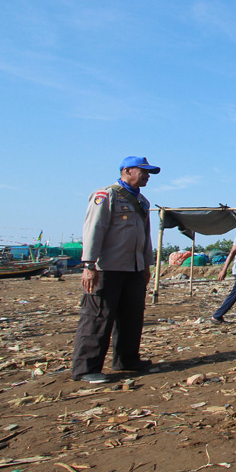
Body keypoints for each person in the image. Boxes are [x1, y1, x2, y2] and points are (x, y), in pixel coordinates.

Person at [71, 157, 159, 384]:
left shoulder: (143, 202)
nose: (148, 176)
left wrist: (147, 265)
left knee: (132, 317)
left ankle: (127, 359)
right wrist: (89, 264)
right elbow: (94, 229)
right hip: (107, 268)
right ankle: (86, 369)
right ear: (127, 171)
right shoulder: (107, 195)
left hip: (135, 269)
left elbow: (145, 237)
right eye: (144, 171)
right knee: (98, 317)